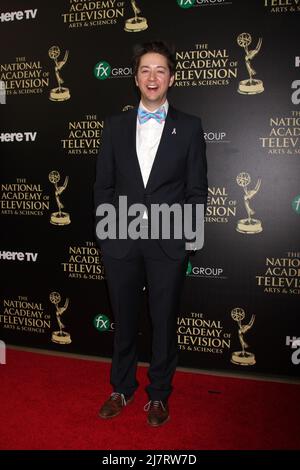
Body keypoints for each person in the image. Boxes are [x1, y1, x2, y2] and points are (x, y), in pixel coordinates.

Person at [94, 41, 208, 427]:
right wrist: (107, 235)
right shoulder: (114, 126)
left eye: (160, 70)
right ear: (136, 78)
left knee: (163, 321)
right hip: (121, 239)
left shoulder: (190, 127)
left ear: (171, 78)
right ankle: (121, 388)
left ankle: (158, 395)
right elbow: (103, 186)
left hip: (169, 241)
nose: (153, 77)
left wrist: (188, 239)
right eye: (145, 70)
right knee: (124, 321)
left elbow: (196, 188)